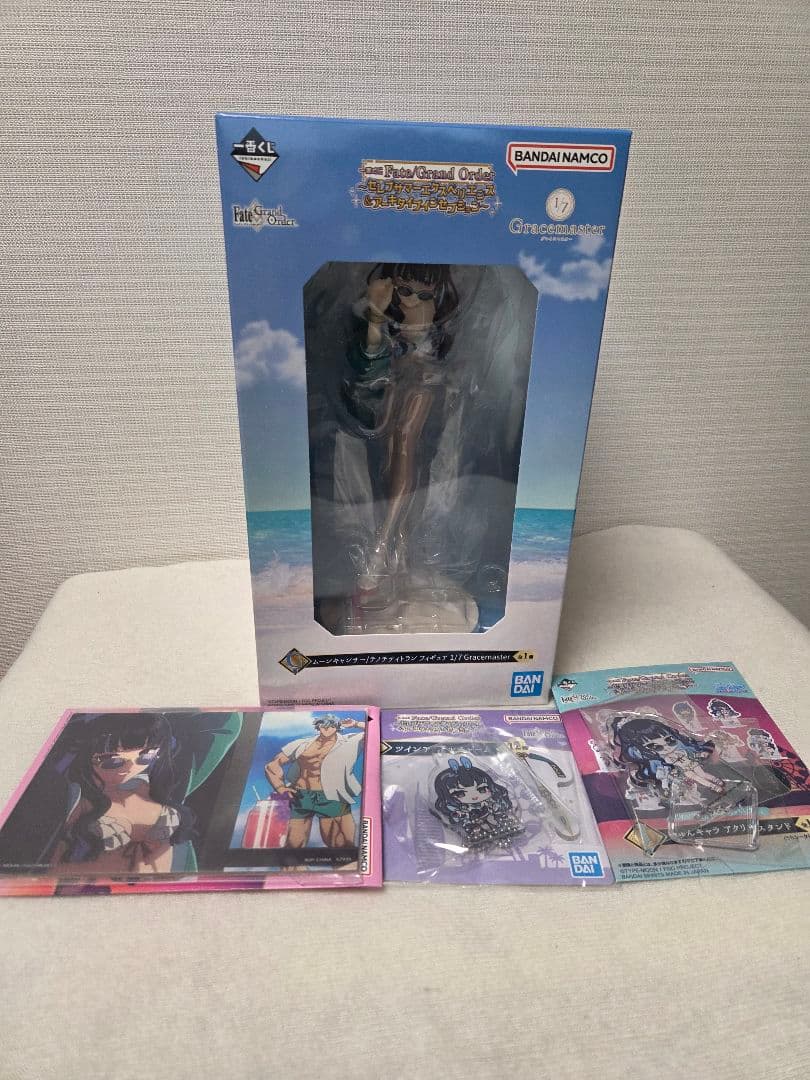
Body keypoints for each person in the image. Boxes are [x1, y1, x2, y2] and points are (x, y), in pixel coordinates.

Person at [342, 263, 460, 594]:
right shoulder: (386, 325)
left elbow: (437, 365)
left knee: (405, 442)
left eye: (424, 295)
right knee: (390, 455)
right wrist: (376, 313)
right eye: (405, 291)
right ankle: (401, 546)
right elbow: (370, 359)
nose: (412, 301)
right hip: (389, 392)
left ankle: (382, 544)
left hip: (424, 389)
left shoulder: (434, 329)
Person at [49, 711, 242, 874]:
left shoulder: (165, 785)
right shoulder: (70, 797)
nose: (130, 768)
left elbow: (228, 719)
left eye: (146, 756)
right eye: (113, 760)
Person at [264, 714, 365, 849]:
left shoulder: (351, 741)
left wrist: (356, 723)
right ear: (318, 726)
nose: (327, 728)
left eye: (331, 725)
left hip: (331, 797)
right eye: (323, 724)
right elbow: (272, 765)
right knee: (293, 846)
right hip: (301, 796)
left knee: (339, 846)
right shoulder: (301, 744)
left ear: (337, 727)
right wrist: (280, 788)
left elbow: (375, 730)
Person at [433, 755, 522, 847]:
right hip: (475, 829)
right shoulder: (461, 809)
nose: (474, 796)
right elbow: (456, 818)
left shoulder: (491, 802)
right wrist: (461, 815)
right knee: (478, 832)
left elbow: (500, 808)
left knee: (499, 822)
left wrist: (496, 808)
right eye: (460, 794)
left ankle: (501, 833)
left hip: (498, 821)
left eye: (482, 789)